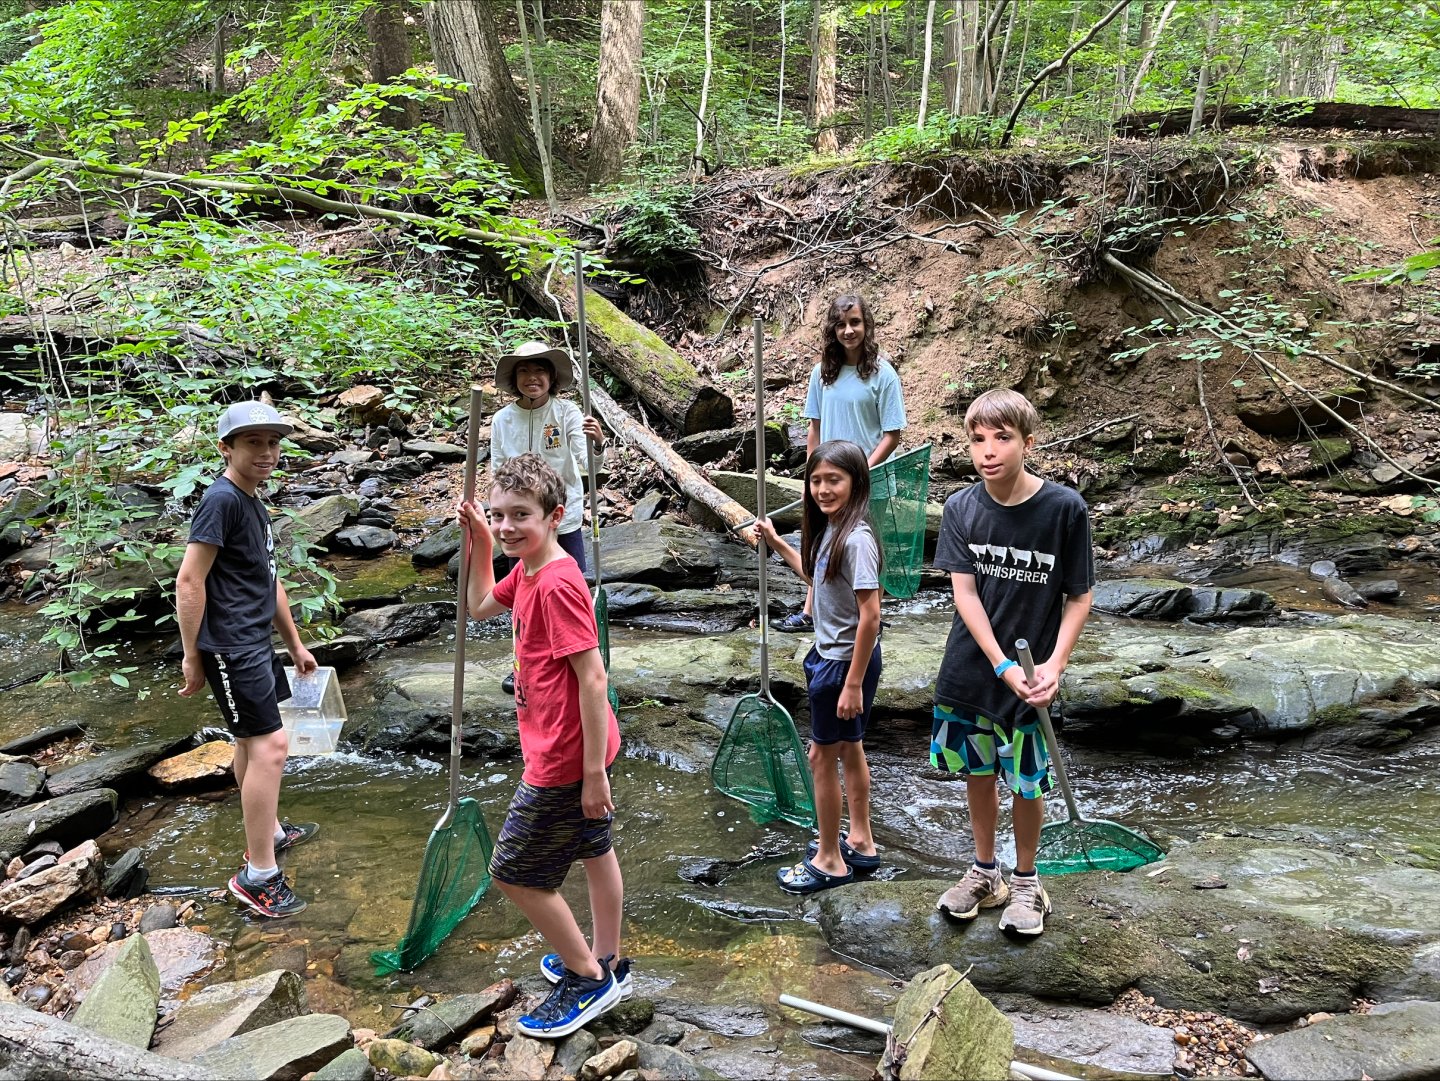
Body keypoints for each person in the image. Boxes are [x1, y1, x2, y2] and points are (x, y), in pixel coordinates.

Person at [459, 453, 628, 1038]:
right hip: (573, 749)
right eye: (499, 515)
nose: (508, 526)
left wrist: (590, 775)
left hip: (564, 756)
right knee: (593, 850)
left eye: (520, 516)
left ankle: (586, 978)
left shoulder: (556, 581)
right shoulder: (529, 567)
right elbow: (479, 605)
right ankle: (607, 958)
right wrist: (481, 540)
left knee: (514, 872)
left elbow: (593, 677)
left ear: (556, 516)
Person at [930, 388, 1093, 937]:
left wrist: (1055, 665)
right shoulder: (961, 508)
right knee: (977, 771)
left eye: (1002, 438)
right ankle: (984, 872)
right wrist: (1001, 664)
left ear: (1028, 441)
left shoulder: (1064, 509)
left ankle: (1026, 880)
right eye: (977, 439)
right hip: (973, 671)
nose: (988, 451)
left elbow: (1079, 595)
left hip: (1035, 677)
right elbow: (966, 595)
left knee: (1027, 780)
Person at [176, 401, 319, 919]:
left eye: (272, 442)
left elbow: (268, 579)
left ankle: (272, 831)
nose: (266, 452)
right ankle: (258, 874)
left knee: (252, 740)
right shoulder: (221, 501)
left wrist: (295, 643)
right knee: (272, 747)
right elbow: (189, 580)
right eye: (253, 442)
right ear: (227, 448)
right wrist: (193, 655)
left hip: (254, 641)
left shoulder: (251, 500)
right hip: (230, 646)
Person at [755, 440, 883, 894]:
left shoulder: (858, 538)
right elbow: (818, 579)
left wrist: (851, 683)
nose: (823, 489)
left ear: (856, 483)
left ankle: (829, 859)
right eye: (816, 481)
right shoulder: (833, 528)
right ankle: (861, 841)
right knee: (850, 749)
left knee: (820, 756)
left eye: (834, 480)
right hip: (835, 660)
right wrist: (775, 543)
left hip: (842, 664)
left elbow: (871, 616)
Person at [776, 293, 906, 633]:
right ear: (832, 330)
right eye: (841, 325)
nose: (849, 331)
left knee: (870, 546)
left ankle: (870, 618)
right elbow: (814, 429)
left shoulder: (883, 374)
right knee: (822, 542)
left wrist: (862, 468)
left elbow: (892, 434)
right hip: (829, 479)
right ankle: (811, 611)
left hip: (871, 477)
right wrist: (811, 477)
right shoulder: (822, 373)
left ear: (867, 326)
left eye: (855, 323)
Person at [489, 340, 605, 694]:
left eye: (539, 370)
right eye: (523, 371)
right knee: (522, 596)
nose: (532, 377)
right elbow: (497, 471)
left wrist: (596, 443)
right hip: (520, 525)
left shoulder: (567, 413)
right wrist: (494, 518)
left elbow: (588, 466)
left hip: (561, 518)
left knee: (570, 590)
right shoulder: (502, 419)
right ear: (514, 378)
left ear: (551, 376)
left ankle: (579, 663)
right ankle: (522, 663)